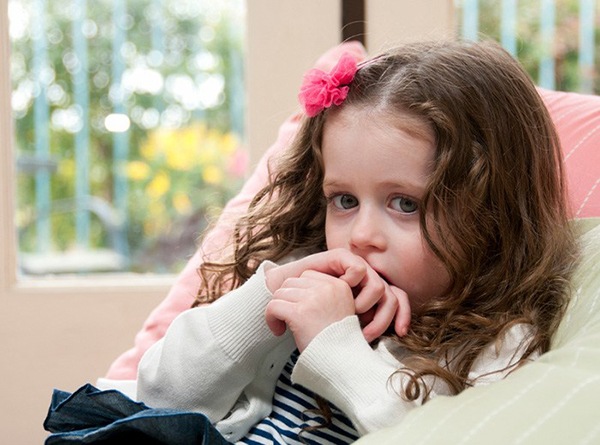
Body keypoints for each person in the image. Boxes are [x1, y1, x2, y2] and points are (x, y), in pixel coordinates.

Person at [45, 39, 578, 444]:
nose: (362, 236)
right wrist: (263, 301)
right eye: (344, 200)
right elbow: (162, 397)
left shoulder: (497, 342)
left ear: (493, 213)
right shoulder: (302, 277)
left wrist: (333, 345)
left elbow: (424, 435)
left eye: (406, 204)